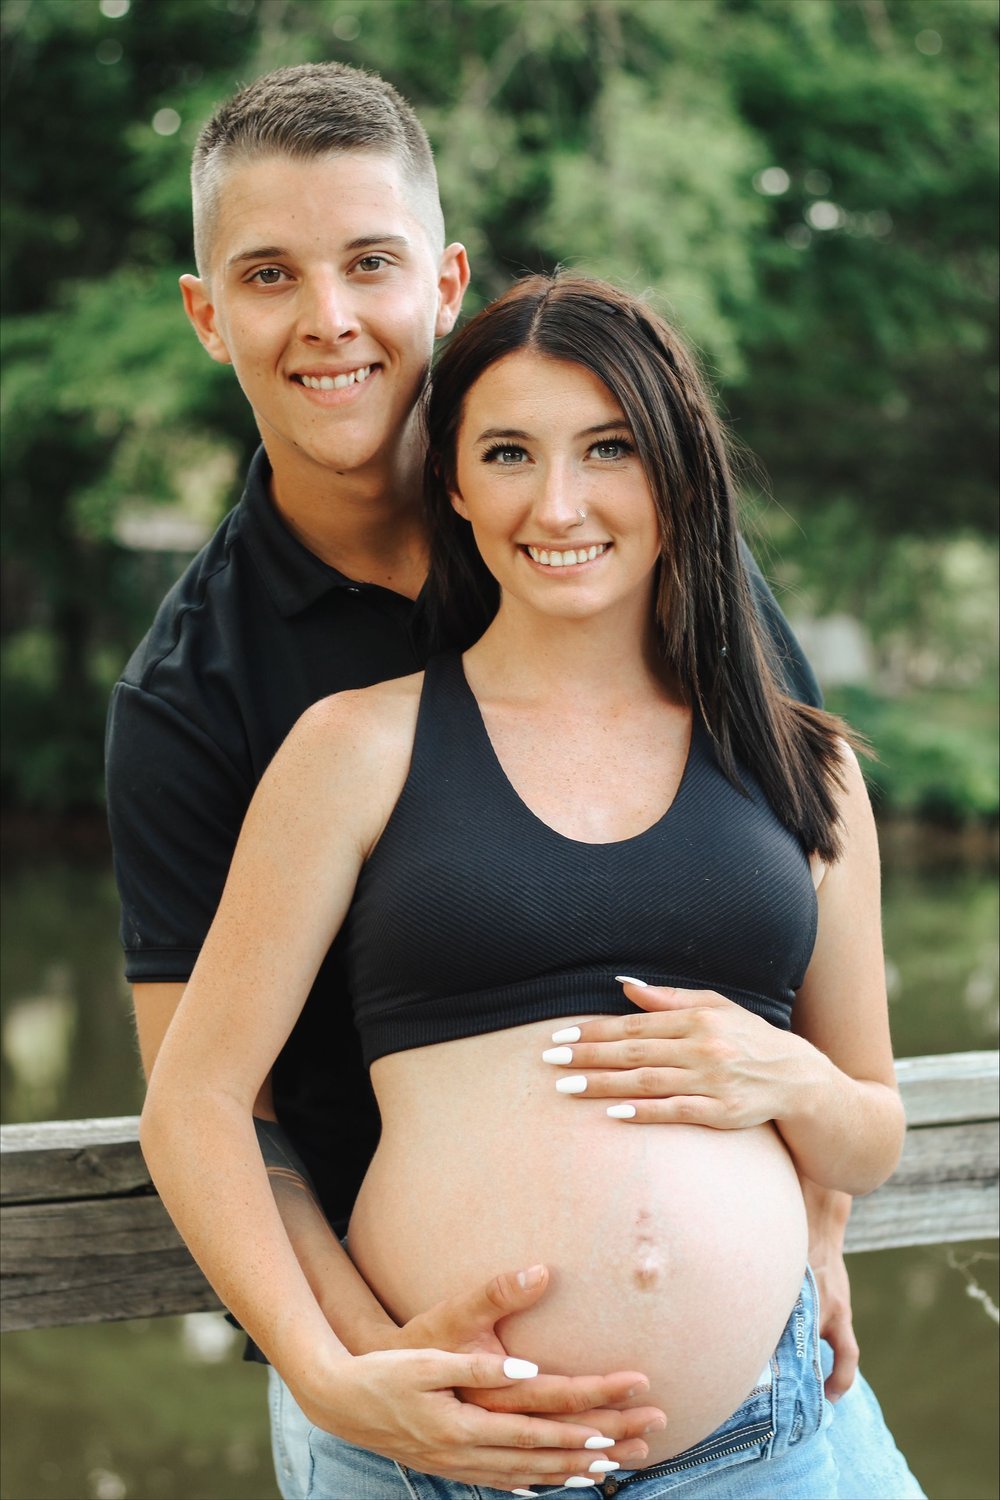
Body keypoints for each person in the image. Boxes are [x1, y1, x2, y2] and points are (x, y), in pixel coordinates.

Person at [106, 63, 922, 1499]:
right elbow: (214, 1100)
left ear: (444, 282)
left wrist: (814, 1224)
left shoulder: (660, 565)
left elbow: (793, 939)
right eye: (270, 274)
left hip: (764, 1420)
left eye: (370, 262)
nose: (329, 318)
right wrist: (355, 1373)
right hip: (417, 1406)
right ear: (207, 313)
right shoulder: (208, 699)